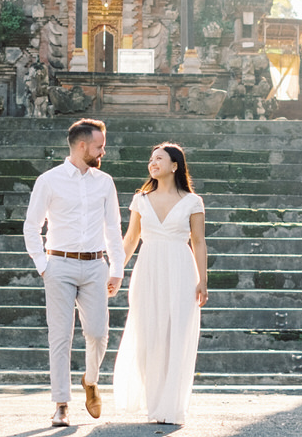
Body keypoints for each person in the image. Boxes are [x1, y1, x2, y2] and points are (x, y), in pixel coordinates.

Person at [22, 118, 125, 427]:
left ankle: (90, 380)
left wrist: (117, 268)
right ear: (83, 146)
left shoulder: (104, 181)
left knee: (98, 333)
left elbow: (113, 227)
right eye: (99, 146)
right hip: (59, 265)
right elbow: (31, 226)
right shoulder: (49, 180)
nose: (103, 152)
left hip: (95, 266)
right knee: (60, 336)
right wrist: (43, 266)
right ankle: (61, 404)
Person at [112, 142, 208, 425]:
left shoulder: (193, 201)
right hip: (148, 269)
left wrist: (203, 280)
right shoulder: (141, 199)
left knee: (176, 334)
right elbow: (130, 240)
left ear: (175, 165)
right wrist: (116, 272)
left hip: (181, 268)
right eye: (151, 159)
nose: (152, 163)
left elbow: (199, 242)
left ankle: (172, 405)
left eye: (159, 159)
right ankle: (155, 404)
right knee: (148, 334)